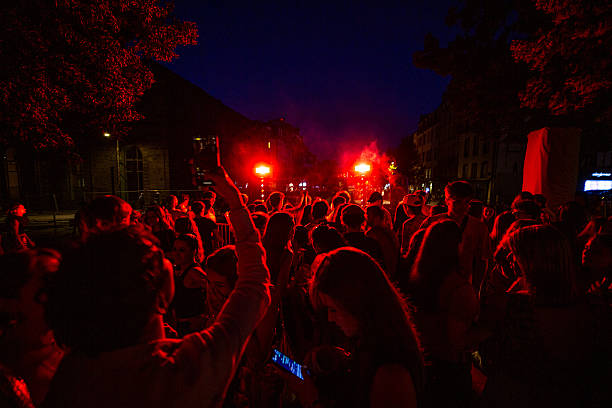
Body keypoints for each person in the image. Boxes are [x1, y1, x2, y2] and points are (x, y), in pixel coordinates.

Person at [43, 167, 271, 407]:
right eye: (164, 258)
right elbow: (255, 282)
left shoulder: (70, 374)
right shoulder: (186, 369)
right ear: (162, 292)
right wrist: (235, 200)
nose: (172, 258)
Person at [480, 225, 611, 408]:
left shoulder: (515, 306)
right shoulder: (594, 305)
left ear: (531, 261)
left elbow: (490, 357)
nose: (510, 259)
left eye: (515, 254)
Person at [284, 247, 423, 408]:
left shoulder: (391, 375)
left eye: (333, 309)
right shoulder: (372, 344)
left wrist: (311, 399)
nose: (330, 318)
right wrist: (343, 360)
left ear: (357, 304)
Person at [409, 220, 488, 408]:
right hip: (450, 368)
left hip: (424, 362)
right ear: (454, 246)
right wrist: (488, 329)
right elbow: (457, 340)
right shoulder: (458, 289)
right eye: (463, 241)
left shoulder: (417, 278)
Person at [0, 249, 63, 405]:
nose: (61, 291)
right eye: (47, 282)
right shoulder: (8, 367)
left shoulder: (77, 348)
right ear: (12, 300)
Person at [420, 181, 491, 290]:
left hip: (463, 286)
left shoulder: (479, 228)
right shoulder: (430, 223)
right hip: (433, 285)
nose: (463, 206)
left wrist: (477, 289)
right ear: (446, 201)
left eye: (466, 202)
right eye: (457, 202)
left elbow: (482, 261)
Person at [169, 234, 208, 336]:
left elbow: (215, 290)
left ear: (193, 251)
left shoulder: (194, 272)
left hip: (190, 328)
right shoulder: (180, 270)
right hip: (181, 325)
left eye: (182, 250)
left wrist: (205, 317)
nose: (176, 254)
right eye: (174, 249)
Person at [366, 205, 399, 279]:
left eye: (369, 216)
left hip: (380, 274)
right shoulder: (390, 233)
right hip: (391, 274)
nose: (366, 218)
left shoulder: (373, 234)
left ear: (377, 217)